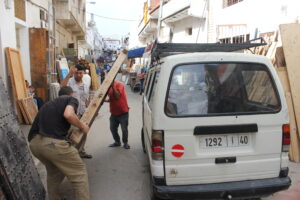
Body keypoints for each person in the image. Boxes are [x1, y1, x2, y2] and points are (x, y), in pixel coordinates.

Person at [28, 86, 90, 200]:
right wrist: (82, 127)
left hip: (34, 144)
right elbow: (69, 115)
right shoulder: (71, 99)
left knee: (54, 172)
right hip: (52, 144)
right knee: (79, 173)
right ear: (71, 94)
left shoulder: (48, 105)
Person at [61, 64, 92, 159]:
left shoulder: (85, 85)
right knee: (70, 134)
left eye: (80, 73)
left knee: (83, 132)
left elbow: (86, 99)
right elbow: (62, 87)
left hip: (83, 112)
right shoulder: (70, 82)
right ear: (74, 73)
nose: (78, 75)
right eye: (76, 73)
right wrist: (69, 73)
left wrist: (90, 108)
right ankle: (69, 154)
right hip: (71, 113)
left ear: (83, 73)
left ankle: (81, 151)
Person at [106, 80, 130, 149]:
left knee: (124, 129)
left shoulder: (120, 85)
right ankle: (117, 142)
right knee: (112, 128)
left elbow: (117, 96)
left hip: (123, 112)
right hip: (114, 113)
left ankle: (125, 143)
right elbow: (112, 98)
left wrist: (113, 85)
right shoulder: (108, 87)